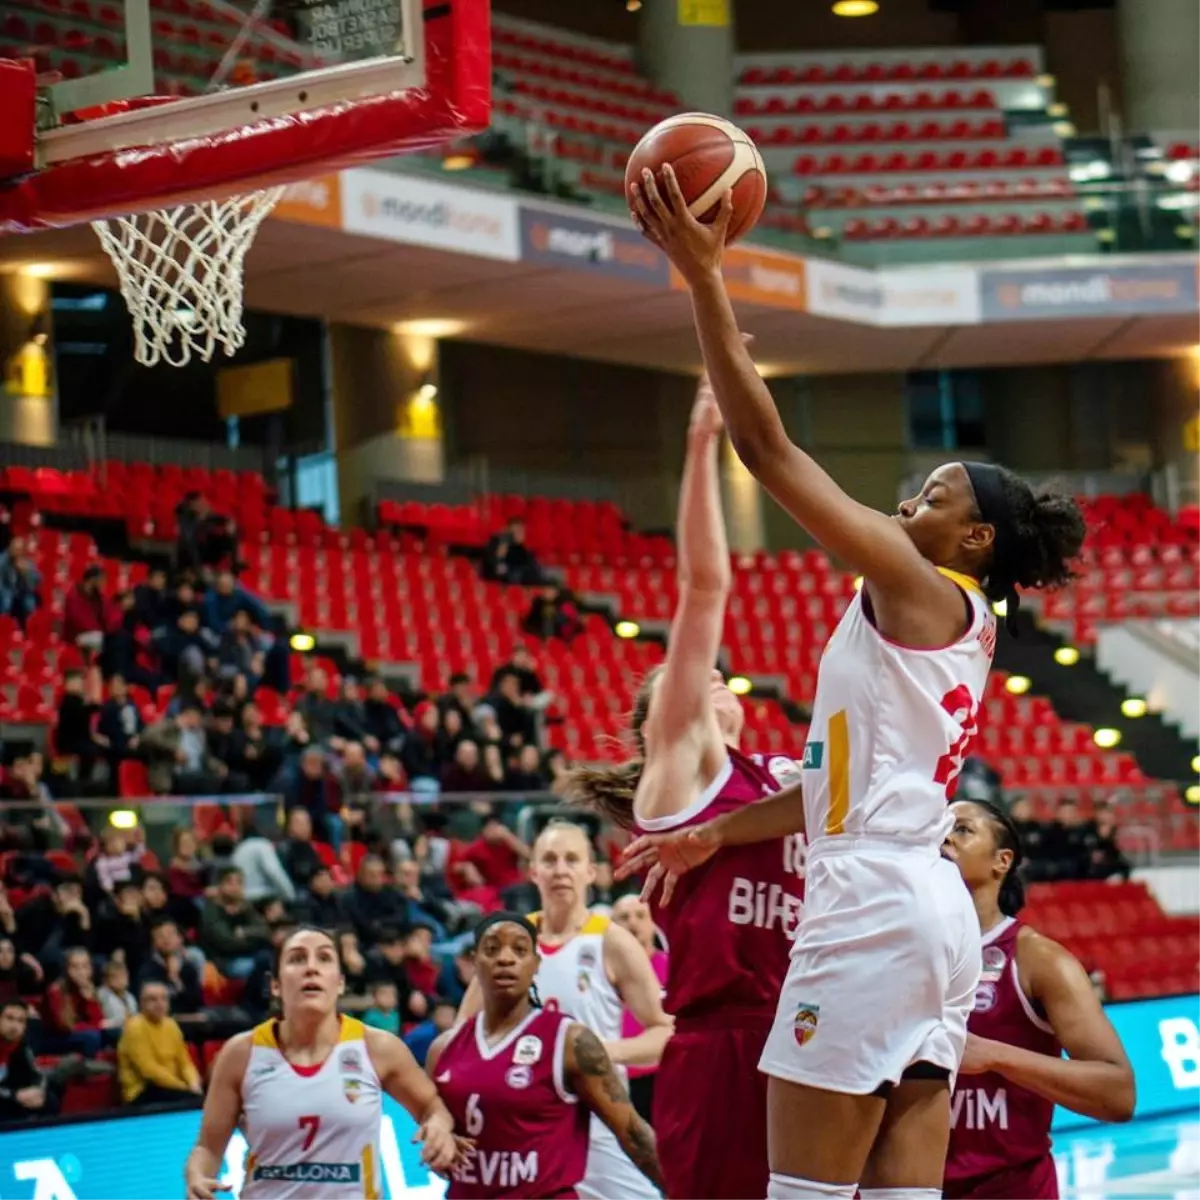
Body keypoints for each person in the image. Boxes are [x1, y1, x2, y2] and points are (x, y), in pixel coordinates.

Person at [625, 168, 1089, 1200]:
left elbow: (767, 448)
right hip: (925, 908)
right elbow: (836, 785)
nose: (904, 499)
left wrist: (704, 276)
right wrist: (718, 833)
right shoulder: (959, 622)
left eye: (930, 494)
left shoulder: (921, 584)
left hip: (871, 903)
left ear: (973, 537)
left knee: (801, 1194)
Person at [566, 375, 806, 1200]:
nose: (705, 676)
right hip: (726, 1039)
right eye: (685, 677)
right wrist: (703, 442)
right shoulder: (684, 773)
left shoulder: (780, 777)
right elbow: (705, 588)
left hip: (810, 1025)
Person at [456, 822, 672, 1200]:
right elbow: (462, 1034)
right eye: (550, 860)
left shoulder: (611, 940)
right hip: (522, 1132)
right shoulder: (510, 943)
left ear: (591, 871)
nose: (560, 869)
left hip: (598, 1123)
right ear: (533, 871)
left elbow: (665, 1033)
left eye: (572, 859)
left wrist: (601, 1052)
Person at [185, 926, 468, 1200]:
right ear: (275, 984)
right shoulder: (241, 1053)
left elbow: (432, 1107)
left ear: (340, 982)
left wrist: (440, 1128)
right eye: (297, 959)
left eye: (324, 958)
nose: (311, 967)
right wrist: (196, 1177)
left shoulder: (377, 1047)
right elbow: (208, 1148)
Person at [940, 799, 1134, 1198]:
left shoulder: (1038, 959)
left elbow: (1117, 1093)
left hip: (1006, 1187)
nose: (943, 837)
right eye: (937, 828)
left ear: (1002, 861)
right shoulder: (897, 954)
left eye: (962, 829)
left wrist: (994, 1055)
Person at [428, 912, 663, 1198]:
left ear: (536, 965)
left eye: (519, 949)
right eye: (492, 949)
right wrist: (437, 1129)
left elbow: (635, 1135)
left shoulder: (569, 1041)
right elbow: (431, 1120)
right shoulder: (444, 1050)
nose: (505, 958)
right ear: (474, 963)